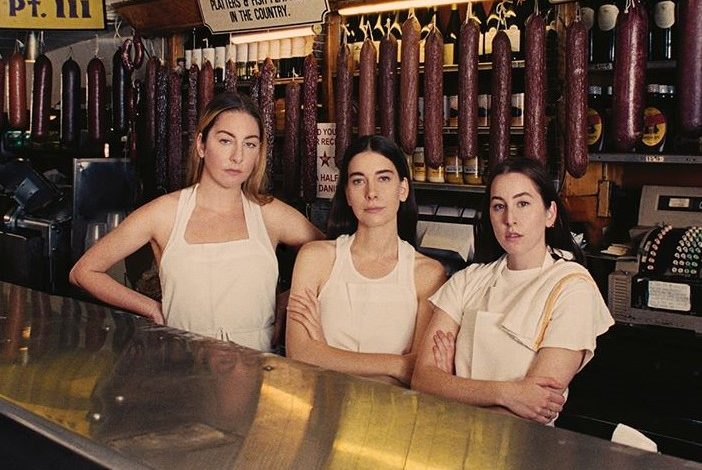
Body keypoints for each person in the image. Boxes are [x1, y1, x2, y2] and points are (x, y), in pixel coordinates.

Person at [70, 92, 323, 351]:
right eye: (225, 141)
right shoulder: (164, 213)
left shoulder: (271, 214)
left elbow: (336, 260)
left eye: (250, 144)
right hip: (183, 361)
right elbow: (84, 272)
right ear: (201, 145)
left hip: (257, 364)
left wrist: (288, 299)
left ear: (259, 153)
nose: (238, 156)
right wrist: (151, 308)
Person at [411, 157, 614, 424]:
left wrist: (452, 387)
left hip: (524, 443)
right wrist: (507, 393)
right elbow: (423, 379)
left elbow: (536, 406)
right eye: (499, 206)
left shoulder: (572, 288)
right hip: (452, 440)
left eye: (523, 203)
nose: (510, 219)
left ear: (550, 213)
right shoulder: (468, 280)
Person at [285, 135, 446, 386]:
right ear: (348, 194)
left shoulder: (428, 273)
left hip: (393, 408)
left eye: (384, 178)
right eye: (358, 181)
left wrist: (323, 350)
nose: (371, 193)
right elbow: (299, 353)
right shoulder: (315, 258)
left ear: (403, 189)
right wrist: (397, 364)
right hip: (322, 403)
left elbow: (418, 374)